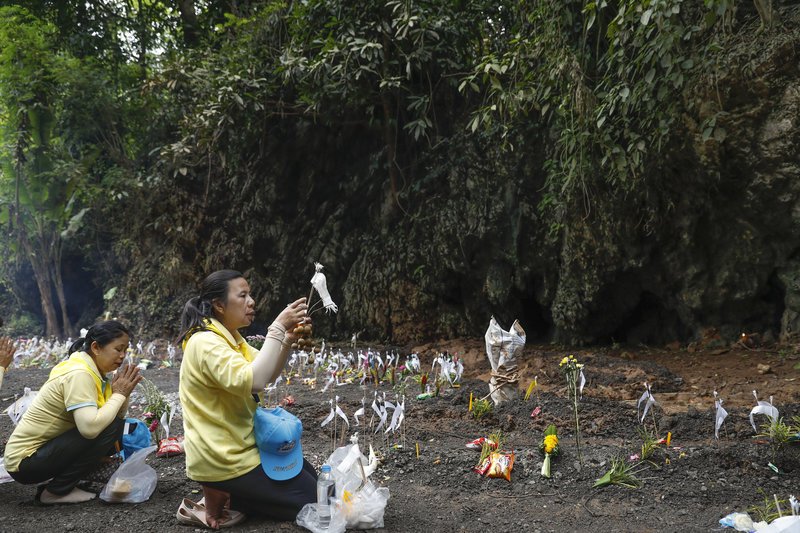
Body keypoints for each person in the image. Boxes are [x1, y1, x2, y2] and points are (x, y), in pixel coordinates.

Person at [178, 269, 315, 528]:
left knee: (311, 479)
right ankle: (225, 493)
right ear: (219, 305)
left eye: (249, 295)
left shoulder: (231, 338)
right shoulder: (205, 343)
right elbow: (255, 381)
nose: (251, 301)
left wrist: (286, 339)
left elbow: (267, 373)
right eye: (243, 296)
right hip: (224, 456)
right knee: (314, 503)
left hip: (244, 446)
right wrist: (276, 328)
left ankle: (232, 496)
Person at [4, 320, 142, 504]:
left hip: (40, 454)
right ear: (96, 347)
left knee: (115, 426)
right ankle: (55, 491)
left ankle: (73, 479)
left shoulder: (94, 373)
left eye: (125, 350)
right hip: (25, 462)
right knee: (110, 427)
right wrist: (119, 395)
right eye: (118, 349)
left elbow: (116, 415)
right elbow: (90, 429)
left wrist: (122, 395)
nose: (122, 356)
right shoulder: (80, 374)